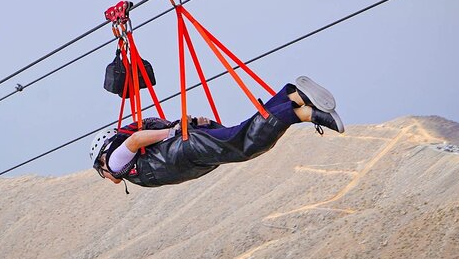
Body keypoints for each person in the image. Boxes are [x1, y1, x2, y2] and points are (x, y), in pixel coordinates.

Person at [90, 76, 344, 188]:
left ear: (102, 161)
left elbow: (135, 140)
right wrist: (182, 128)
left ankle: (305, 112)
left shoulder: (114, 162)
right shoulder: (130, 167)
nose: (108, 179)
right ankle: (293, 96)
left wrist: (173, 132)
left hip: (187, 149)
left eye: (102, 174)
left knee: (245, 145)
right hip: (189, 149)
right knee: (242, 133)